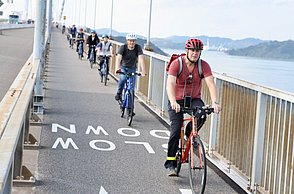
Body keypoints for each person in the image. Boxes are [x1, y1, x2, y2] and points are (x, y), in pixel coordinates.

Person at [164, 38, 221, 176]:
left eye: (198, 51)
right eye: (192, 50)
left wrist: (215, 102)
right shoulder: (177, 64)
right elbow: (170, 84)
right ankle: (171, 163)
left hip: (194, 99)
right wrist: (173, 101)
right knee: (175, 130)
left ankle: (190, 134)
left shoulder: (203, 65)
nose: (195, 53)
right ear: (187, 51)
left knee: (202, 114)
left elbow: (211, 83)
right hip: (176, 100)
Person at [114, 33, 146, 101]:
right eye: (130, 41)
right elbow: (118, 58)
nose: (132, 42)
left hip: (132, 68)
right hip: (123, 67)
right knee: (123, 79)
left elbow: (141, 58)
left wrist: (143, 71)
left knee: (131, 87)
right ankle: (119, 93)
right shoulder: (123, 47)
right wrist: (117, 68)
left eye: (133, 41)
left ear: (135, 41)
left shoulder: (138, 47)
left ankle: (131, 109)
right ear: (127, 41)